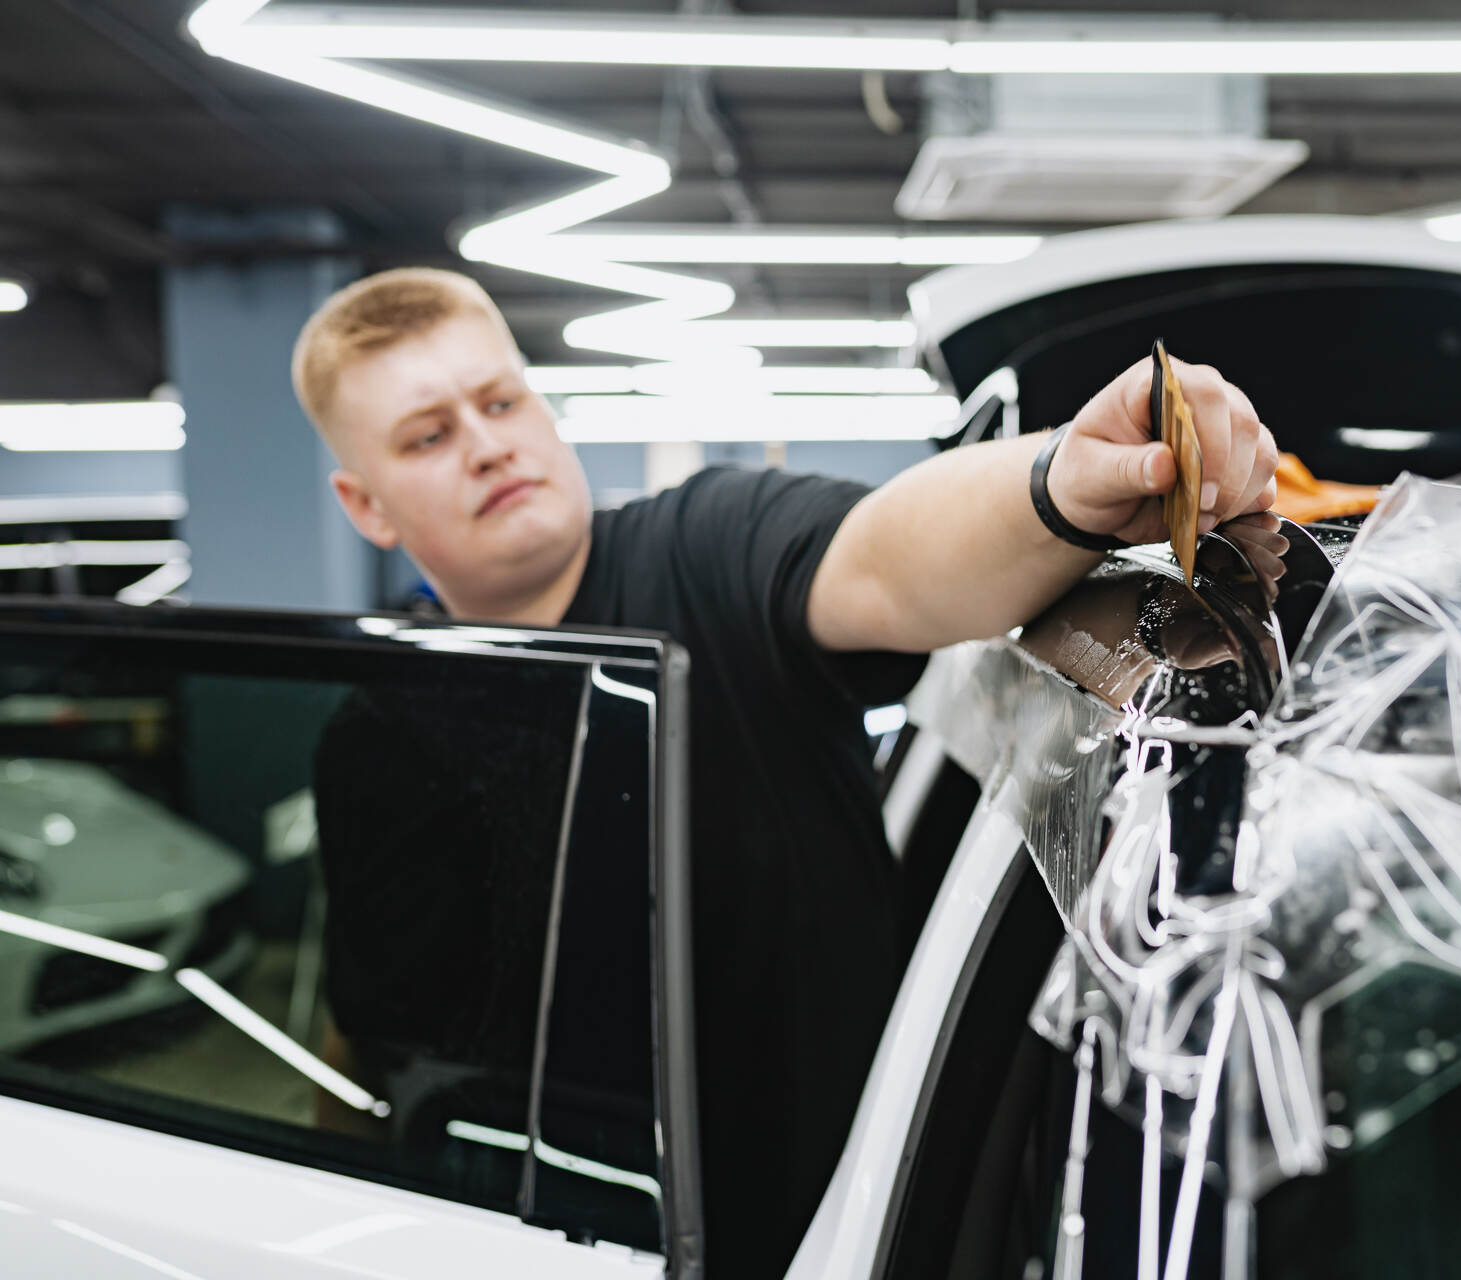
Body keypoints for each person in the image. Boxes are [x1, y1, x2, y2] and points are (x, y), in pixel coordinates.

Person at [293, 267, 1281, 1276]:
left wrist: (1058, 480)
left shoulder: (704, 548)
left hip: (833, 1239)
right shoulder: (376, 739)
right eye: (429, 435)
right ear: (366, 505)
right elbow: (369, 1048)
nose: (486, 443)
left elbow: (885, 557)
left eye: (501, 402)